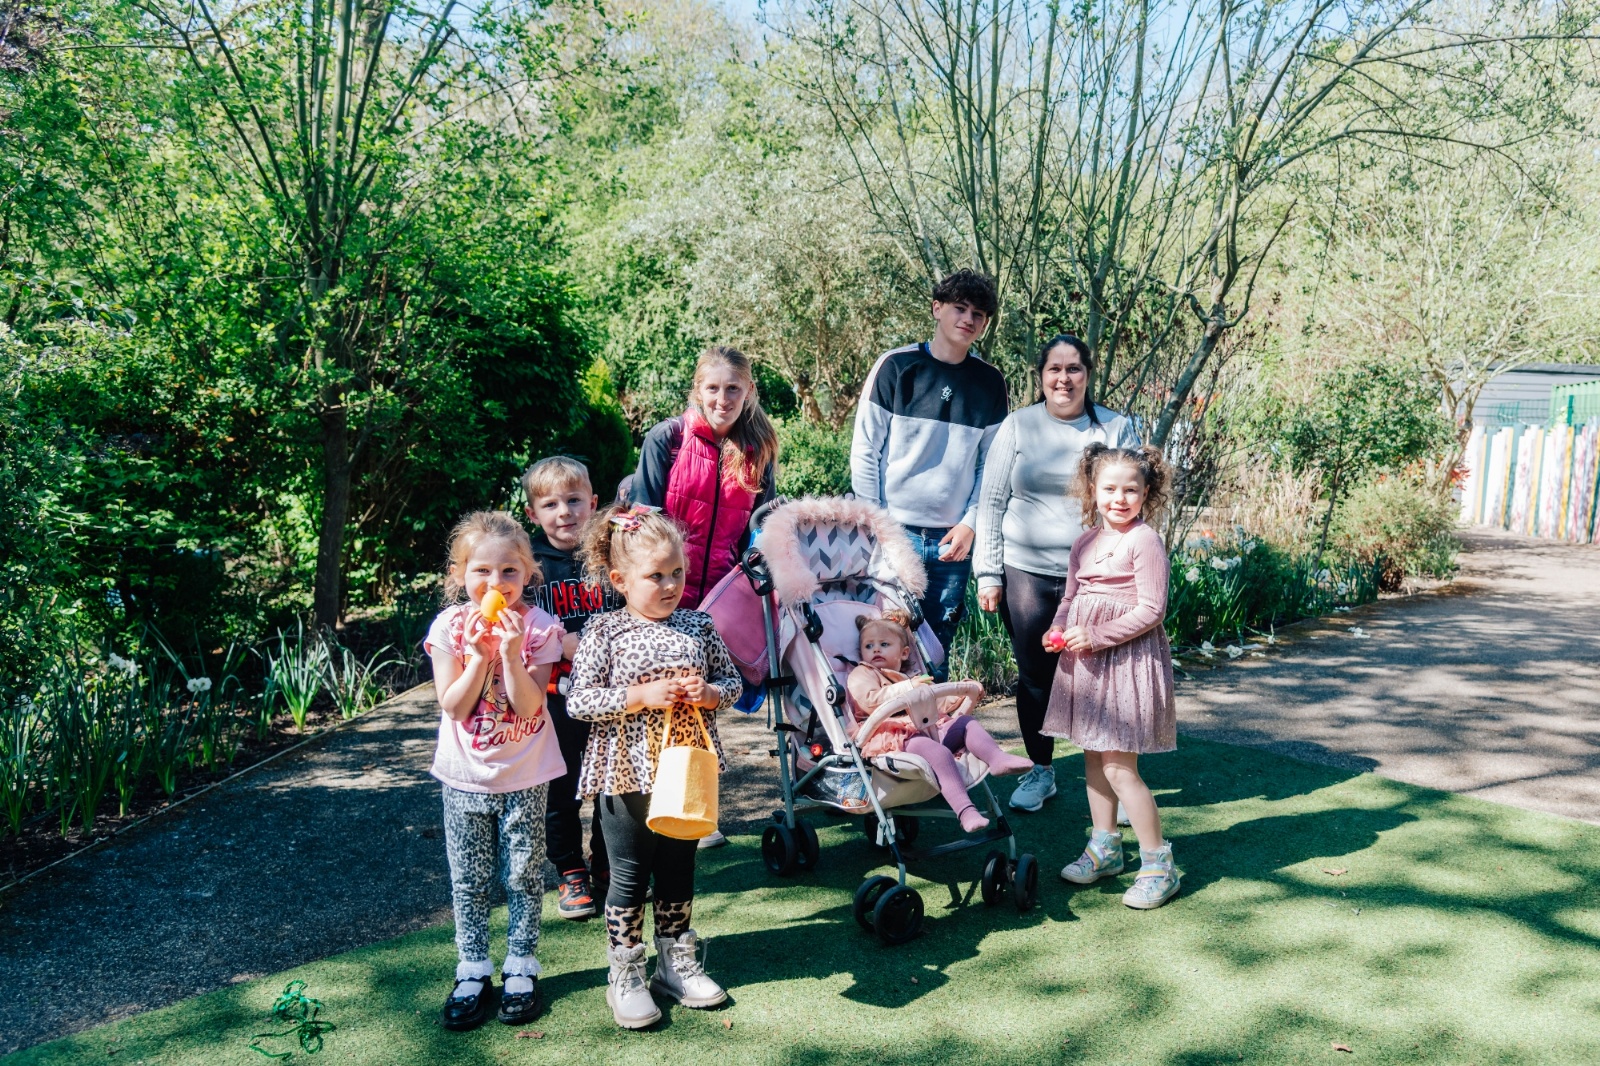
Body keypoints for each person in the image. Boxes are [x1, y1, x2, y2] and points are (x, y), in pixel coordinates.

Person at [566, 503, 743, 1030]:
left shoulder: (699, 624)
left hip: (685, 767)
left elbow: (732, 683)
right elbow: (578, 700)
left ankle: (674, 964)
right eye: (655, 576)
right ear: (619, 580)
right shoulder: (605, 630)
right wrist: (638, 696)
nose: (670, 585)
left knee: (678, 866)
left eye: (677, 573)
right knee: (628, 872)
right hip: (625, 769)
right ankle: (625, 973)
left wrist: (710, 694)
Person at [974, 335, 1140, 813]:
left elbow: (1136, 502)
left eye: (1073, 369)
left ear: (1088, 374)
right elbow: (991, 501)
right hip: (1026, 571)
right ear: (1041, 376)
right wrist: (988, 573)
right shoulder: (1018, 425)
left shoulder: (1115, 427)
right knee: (1035, 676)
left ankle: (1114, 778)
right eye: (1054, 369)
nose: (1064, 379)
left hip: (1096, 577)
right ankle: (1041, 770)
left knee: (1103, 678)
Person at [424, 512, 567, 1030]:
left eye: (509, 570)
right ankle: (472, 969)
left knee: (523, 874)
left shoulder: (541, 627)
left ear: (528, 572)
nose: (496, 583)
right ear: (460, 574)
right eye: (482, 571)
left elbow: (530, 706)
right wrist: (479, 657)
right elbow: (454, 706)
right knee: (469, 879)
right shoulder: (449, 627)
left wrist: (509, 654)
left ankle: (521, 965)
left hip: (525, 774)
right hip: (464, 775)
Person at [850, 269, 1009, 681]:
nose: (968, 319)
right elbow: (865, 451)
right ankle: (882, 725)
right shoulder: (896, 366)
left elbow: (991, 467)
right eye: (960, 308)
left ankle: (932, 726)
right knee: (882, 650)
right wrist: (878, 527)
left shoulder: (991, 383)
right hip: (892, 534)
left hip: (951, 543)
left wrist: (971, 523)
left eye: (978, 314)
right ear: (937, 308)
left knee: (936, 654)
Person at [1042, 444, 1180, 909]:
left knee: (1120, 767)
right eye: (1110, 489)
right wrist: (1057, 628)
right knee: (1093, 758)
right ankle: (1105, 848)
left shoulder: (1145, 541)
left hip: (1126, 663)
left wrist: (1097, 635)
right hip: (1086, 664)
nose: (1120, 499)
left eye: (1131, 490)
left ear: (1146, 494)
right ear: (1092, 490)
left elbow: (1152, 609)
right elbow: (1070, 597)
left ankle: (1159, 865)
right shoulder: (1084, 542)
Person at [522, 455, 623, 921]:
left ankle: (607, 862)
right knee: (560, 790)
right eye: (550, 504)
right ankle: (569, 869)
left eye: (574, 500)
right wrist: (557, 640)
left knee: (612, 781)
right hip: (554, 698)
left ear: (593, 503)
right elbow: (511, 615)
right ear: (533, 513)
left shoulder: (611, 553)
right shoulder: (528, 565)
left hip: (611, 695)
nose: (564, 512)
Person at [846, 610, 1033, 832]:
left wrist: (963, 691)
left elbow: (938, 702)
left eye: (884, 644)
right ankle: (966, 811)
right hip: (894, 736)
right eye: (868, 646)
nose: (876, 649)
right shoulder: (862, 673)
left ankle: (997, 759)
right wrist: (908, 688)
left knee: (967, 723)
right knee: (938, 752)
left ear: (904, 653)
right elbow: (868, 701)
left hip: (927, 729)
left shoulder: (912, 675)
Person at [628, 345, 779, 611]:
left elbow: (759, 537)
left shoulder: (759, 455)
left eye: (733, 388)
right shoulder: (668, 439)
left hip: (725, 606)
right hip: (665, 602)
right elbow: (642, 525)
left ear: (749, 390)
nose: (722, 399)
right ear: (698, 390)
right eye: (712, 388)